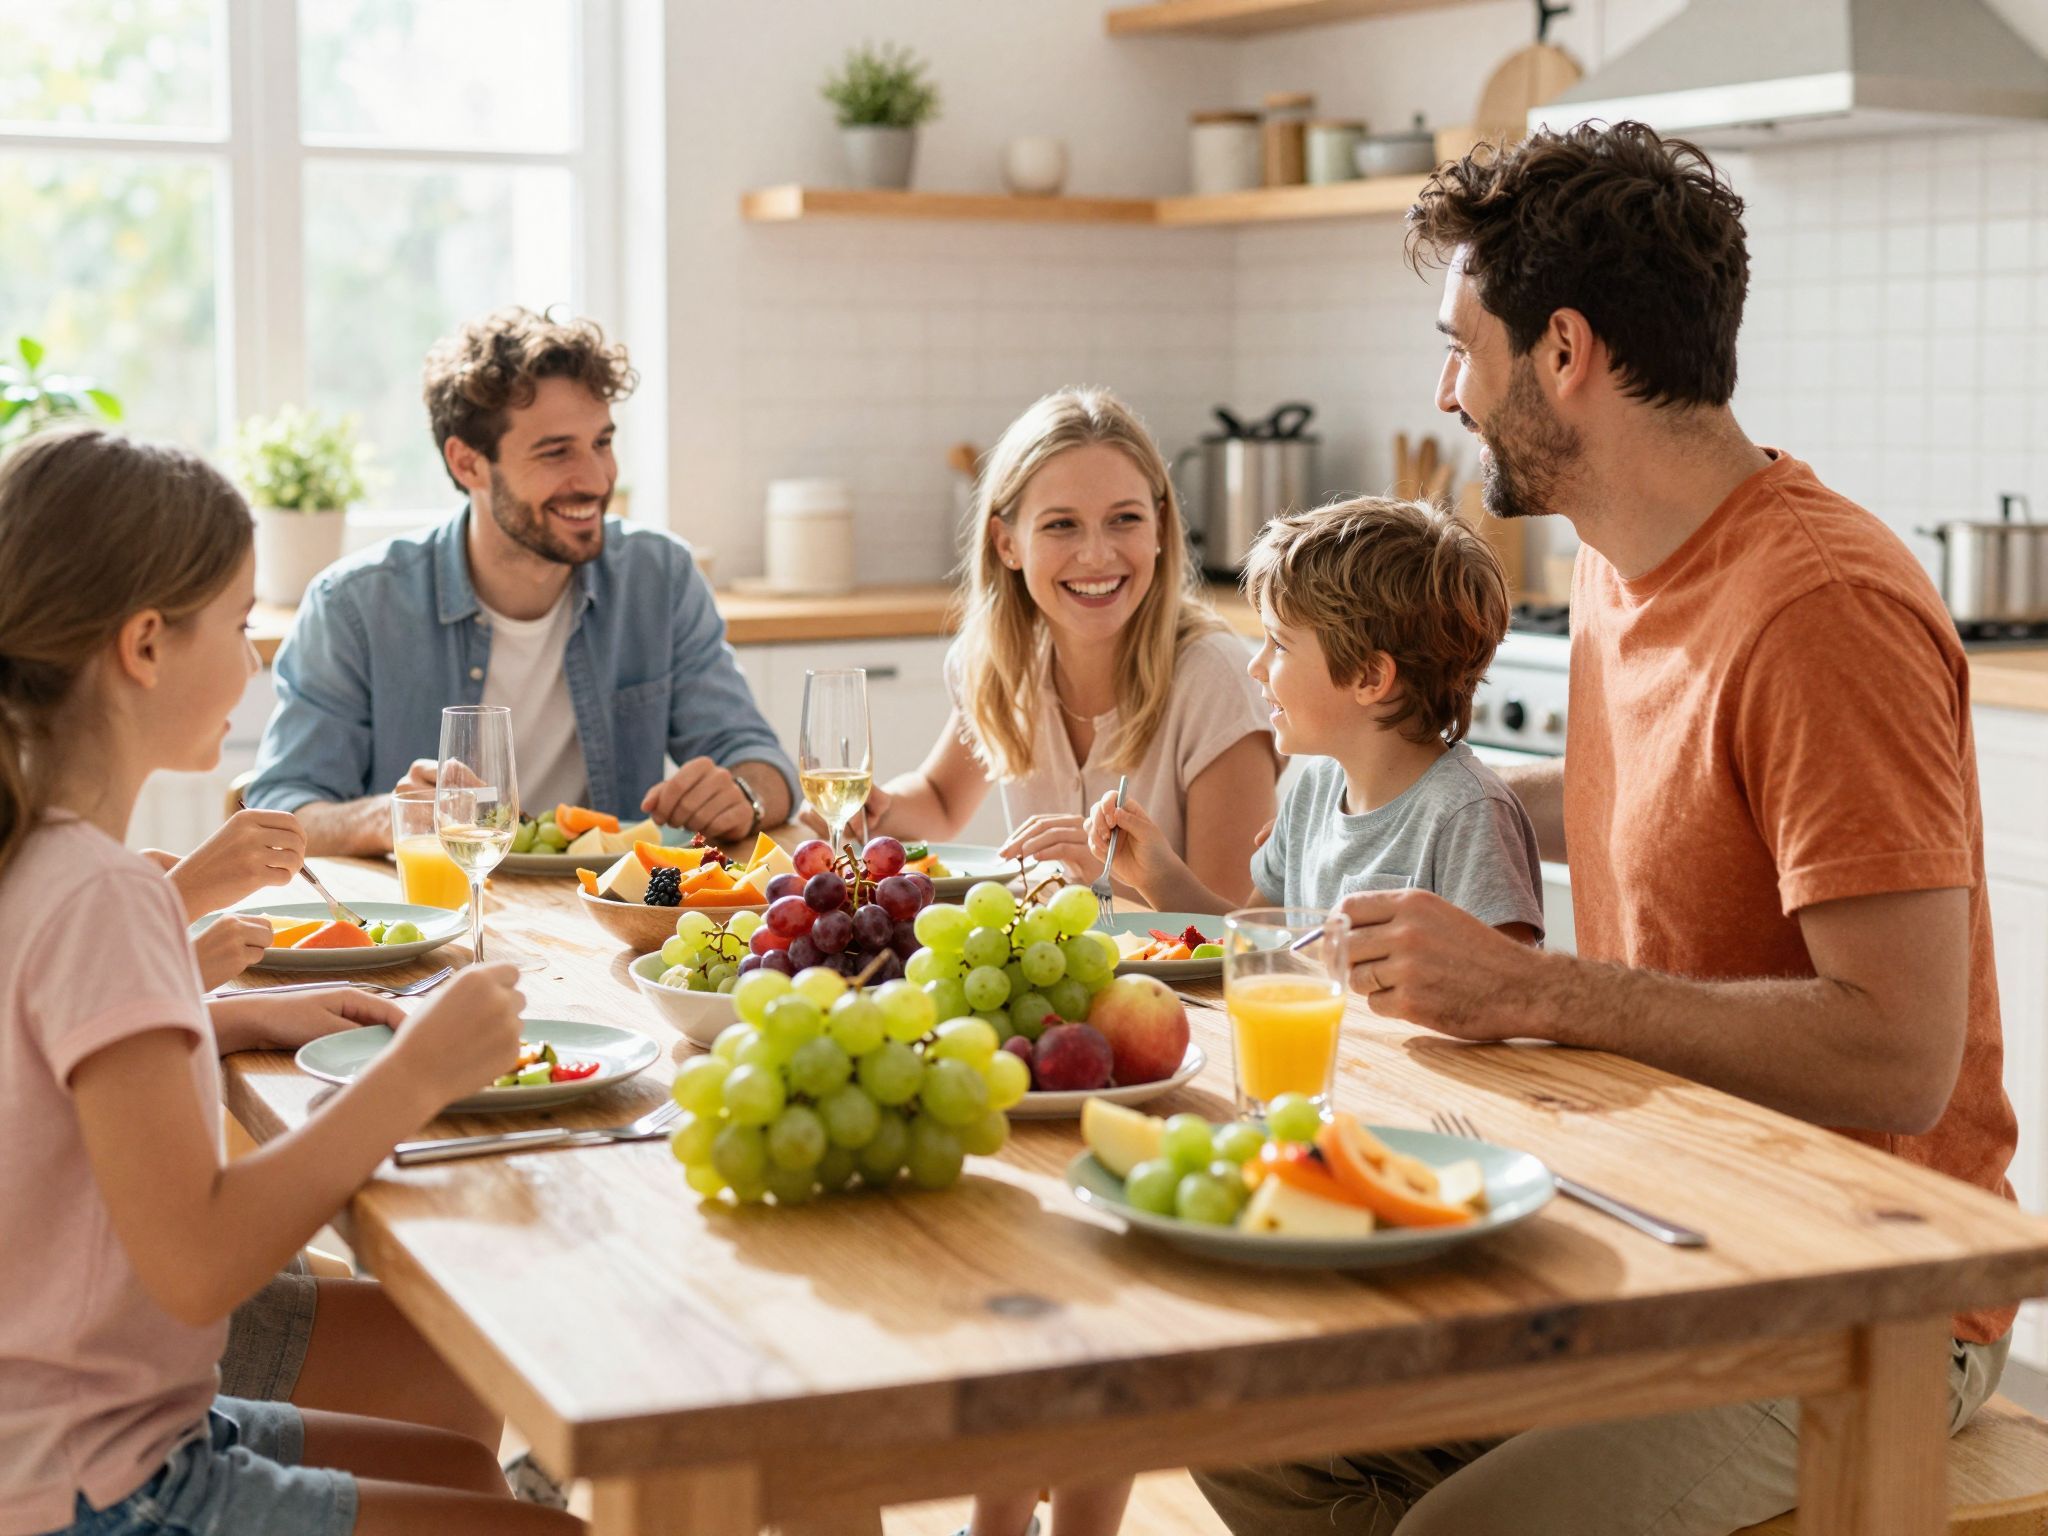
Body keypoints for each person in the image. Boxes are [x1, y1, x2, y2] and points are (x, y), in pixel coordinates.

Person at [1193, 121, 2016, 1536]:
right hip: (1662, 1218)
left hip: (1863, 1292)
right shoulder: (1622, 571)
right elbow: (1659, 822)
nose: (1444, 392)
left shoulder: (1823, 610)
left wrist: (1531, 990)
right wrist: (1406, 805)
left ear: (1562, 351)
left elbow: (1899, 1054)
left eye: (1463, 345)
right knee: (1241, 1415)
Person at [0, 426, 582, 1536]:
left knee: (463, 1472)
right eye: (239, 622)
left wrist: (212, 1013)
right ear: (143, 647)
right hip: (95, 1485)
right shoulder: (99, 892)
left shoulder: (47, 859)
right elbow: (197, 1264)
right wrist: (416, 1072)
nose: (257, 659)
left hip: (87, 1426)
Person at [244, 307, 795, 855]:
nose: (597, 478)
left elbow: (757, 758)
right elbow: (282, 806)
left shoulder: (660, 577)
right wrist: (390, 817)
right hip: (439, 921)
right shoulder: (354, 608)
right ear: (468, 464)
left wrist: (744, 794)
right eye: (556, 452)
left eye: (602, 443)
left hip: (608, 917)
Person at [845, 387, 1277, 908]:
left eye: (1125, 519)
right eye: (1061, 525)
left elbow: (1231, 934)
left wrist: (1109, 872)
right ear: (1007, 544)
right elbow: (939, 801)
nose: (1097, 554)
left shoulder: (1215, 678)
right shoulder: (1001, 661)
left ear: (1160, 526)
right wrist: (877, 809)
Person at [1087, 495, 1543, 949]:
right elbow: (1253, 942)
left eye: (1279, 644)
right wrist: (1157, 874)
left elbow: (1508, 990)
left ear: (1369, 676)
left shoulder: (1468, 814)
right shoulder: (1317, 789)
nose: (1255, 666)